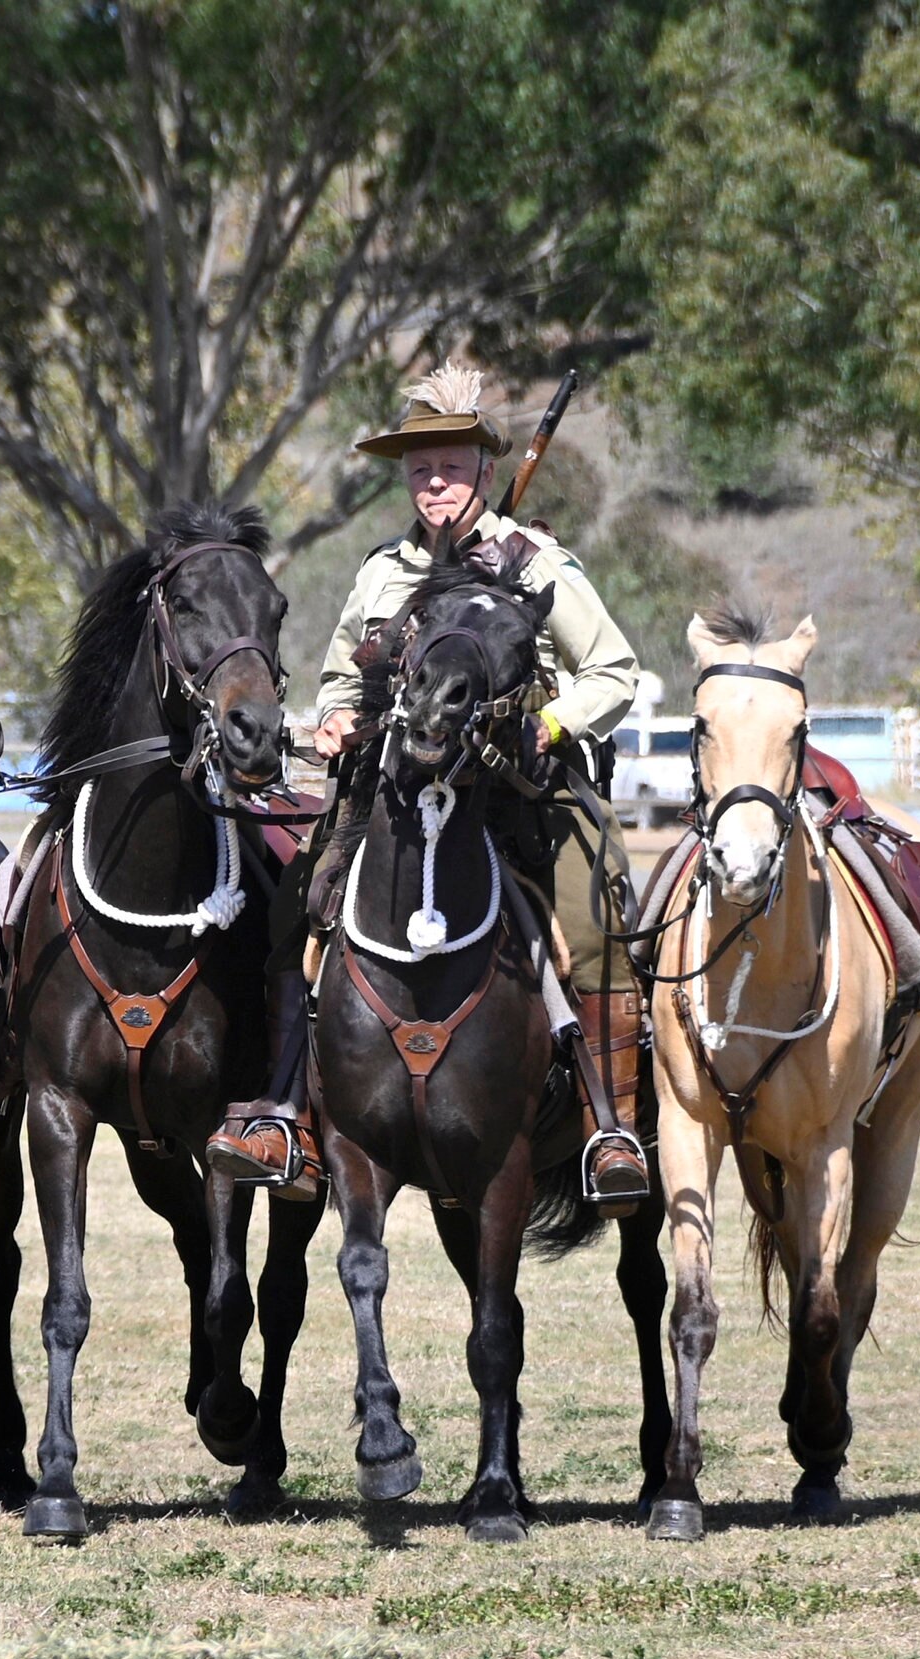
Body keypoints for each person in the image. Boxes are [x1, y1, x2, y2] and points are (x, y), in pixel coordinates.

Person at [207, 362, 649, 1215]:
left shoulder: (533, 561)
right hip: (387, 791)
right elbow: (340, 677)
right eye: (419, 469)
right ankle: (286, 1119)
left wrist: (549, 726)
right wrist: (335, 720)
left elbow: (614, 670)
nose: (434, 482)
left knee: (593, 919)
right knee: (294, 908)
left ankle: (611, 1128)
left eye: (450, 466)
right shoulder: (380, 575)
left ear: (486, 470)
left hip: (518, 787)